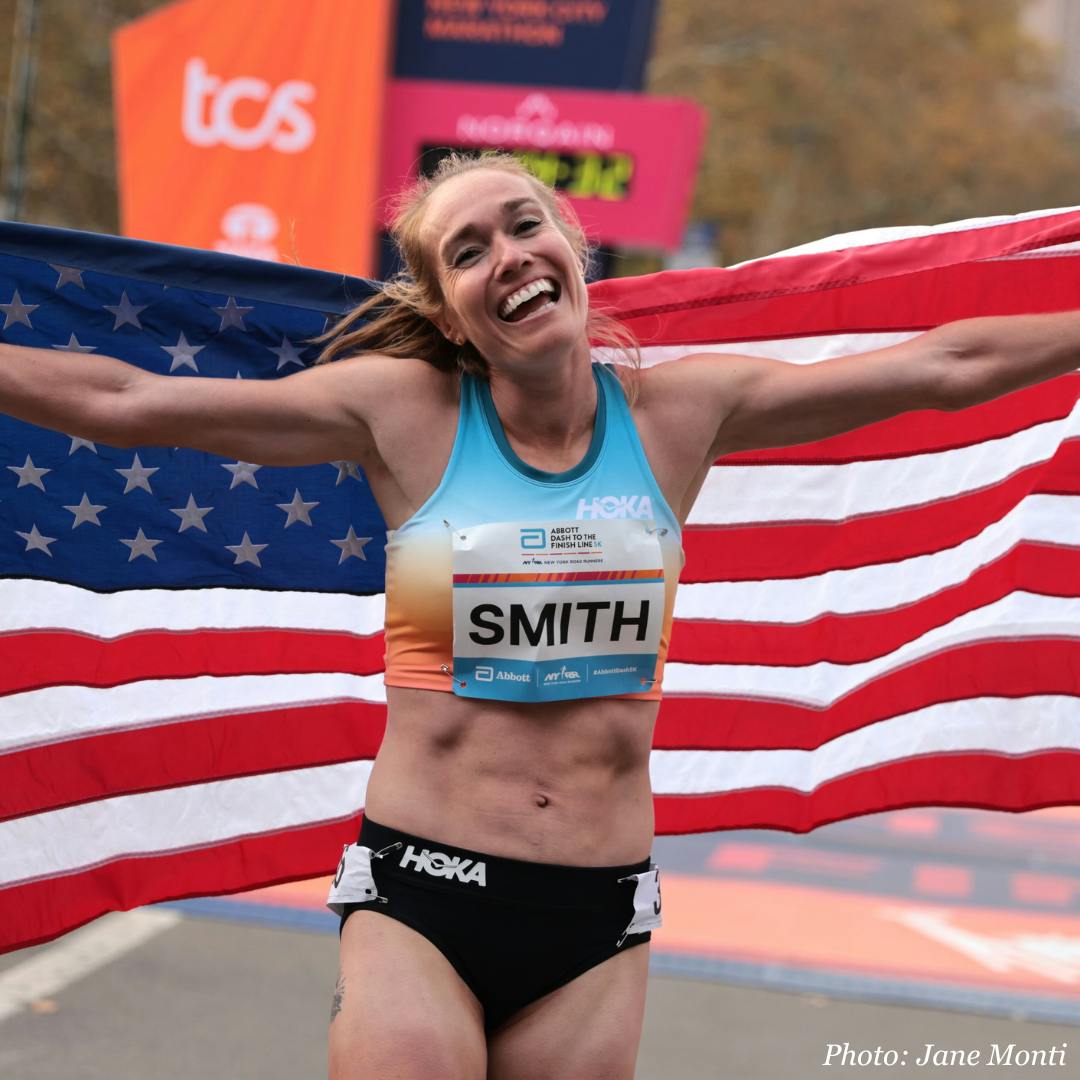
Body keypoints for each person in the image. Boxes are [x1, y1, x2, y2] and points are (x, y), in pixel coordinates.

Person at [1, 150, 1078, 1079]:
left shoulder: (681, 413)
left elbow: (945, 364)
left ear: (572, 246)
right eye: (468, 252)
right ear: (444, 311)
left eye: (525, 226)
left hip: (595, 921)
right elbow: (127, 402)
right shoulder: (402, 414)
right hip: (423, 896)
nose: (508, 256)